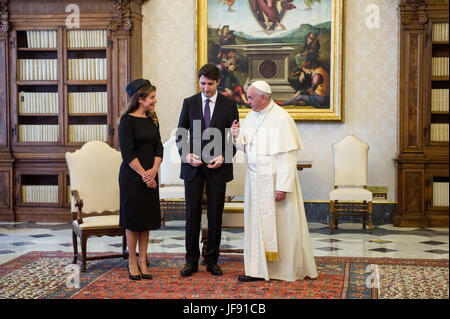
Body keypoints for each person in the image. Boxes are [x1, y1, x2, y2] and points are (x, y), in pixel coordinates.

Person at [231, 80, 318, 282]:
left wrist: (283, 187)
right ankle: (257, 269)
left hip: (274, 181)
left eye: (251, 97)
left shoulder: (282, 118)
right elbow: (245, 148)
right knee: (256, 226)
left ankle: (281, 270)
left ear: (263, 97)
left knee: (281, 228)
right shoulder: (251, 116)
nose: (248, 101)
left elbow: (288, 156)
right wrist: (236, 136)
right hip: (255, 180)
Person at [176, 64, 239, 277]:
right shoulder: (189, 103)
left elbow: (233, 138)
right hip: (193, 168)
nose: (206, 88)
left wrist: (225, 156)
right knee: (191, 214)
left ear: (218, 82)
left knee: (215, 214)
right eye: (202, 83)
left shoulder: (229, 105)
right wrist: (186, 155)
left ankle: (212, 260)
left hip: (218, 168)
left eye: (210, 84)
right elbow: (181, 134)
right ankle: (191, 261)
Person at [118, 79, 163, 281]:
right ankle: (132, 261)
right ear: (140, 99)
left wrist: (153, 171)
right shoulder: (126, 120)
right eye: (152, 97)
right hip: (132, 176)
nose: (155, 100)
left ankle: (144, 260)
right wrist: (144, 174)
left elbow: (159, 148)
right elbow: (127, 153)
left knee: (145, 220)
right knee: (133, 220)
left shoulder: (153, 118)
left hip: (151, 175)